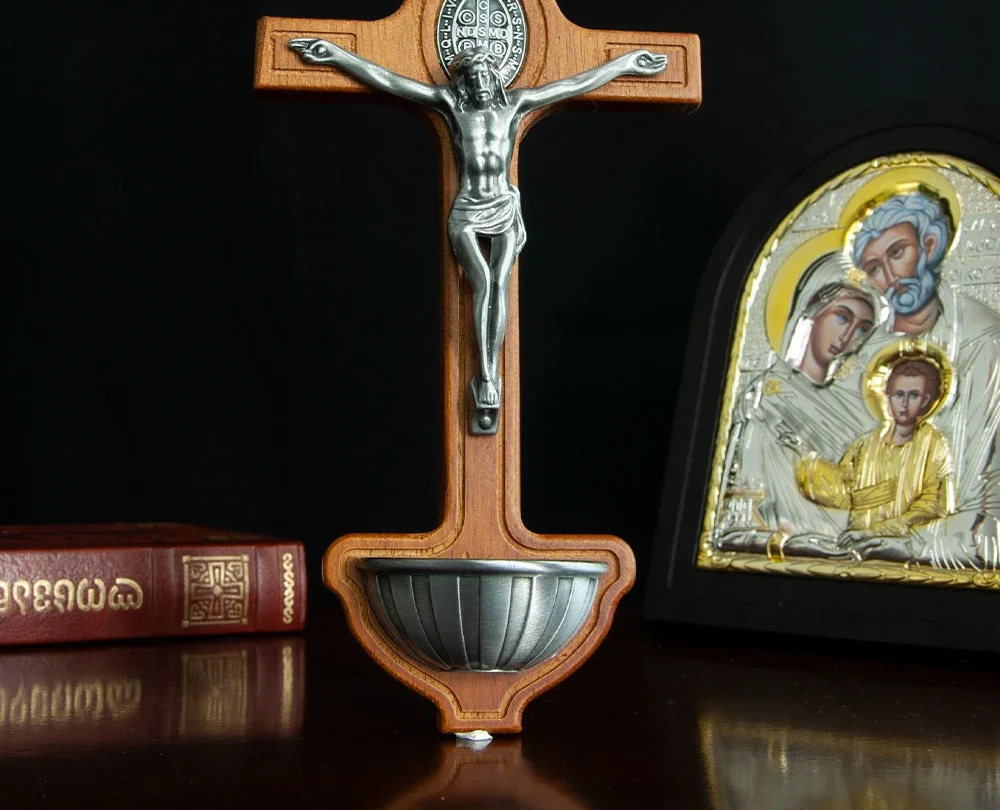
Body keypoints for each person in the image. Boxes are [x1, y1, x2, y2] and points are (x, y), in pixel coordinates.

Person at [288, 38, 666, 430]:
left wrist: (625, 64)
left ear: (496, 76)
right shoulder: (452, 106)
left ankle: (490, 378)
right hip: (468, 210)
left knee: (499, 282)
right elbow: (388, 79)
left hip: (502, 207)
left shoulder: (515, 105)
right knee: (481, 280)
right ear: (464, 82)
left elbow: (571, 85)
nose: (480, 81)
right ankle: (485, 372)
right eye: (472, 76)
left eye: (486, 73)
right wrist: (335, 55)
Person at [849, 190, 1000, 564]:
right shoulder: (863, 353)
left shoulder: (981, 338)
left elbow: (985, 500)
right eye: (874, 268)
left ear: (929, 244)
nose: (890, 276)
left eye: (897, 252)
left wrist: (918, 543)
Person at [715, 252, 884, 553]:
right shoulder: (765, 398)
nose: (848, 336)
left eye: (862, 327)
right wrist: (789, 542)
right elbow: (737, 519)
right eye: (842, 317)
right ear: (812, 310)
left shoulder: (861, 408)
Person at [795, 356, 952, 545]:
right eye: (898, 394)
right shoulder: (866, 443)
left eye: (913, 395)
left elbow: (933, 506)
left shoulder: (932, 442)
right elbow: (845, 492)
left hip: (906, 547)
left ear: (926, 400)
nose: (904, 403)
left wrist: (873, 532)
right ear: (887, 396)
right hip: (855, 543)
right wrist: (803, 459)